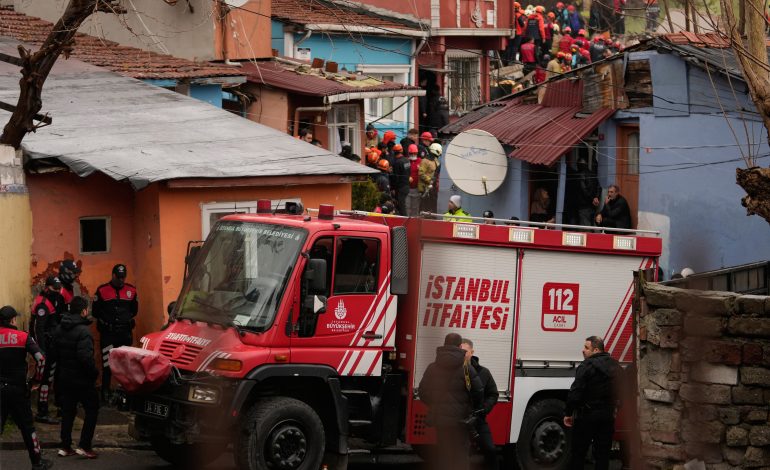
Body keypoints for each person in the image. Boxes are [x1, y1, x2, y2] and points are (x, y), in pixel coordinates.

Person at [419, 333, 483, 470]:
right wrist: (471, 408)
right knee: (461, 455)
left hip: (441, 420)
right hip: (462, 421)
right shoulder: (467, 369)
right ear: (460, 346)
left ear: (444, 344)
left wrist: (436, 404)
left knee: (443, 453)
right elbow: (479, 393)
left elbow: (422, 392)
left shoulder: (432, 367)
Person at [0, 306, 52, 470]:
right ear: (13, 320)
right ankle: (37, 462)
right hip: (18, 390)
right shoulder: (23, 337)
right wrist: (36, 380)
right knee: (27, 427)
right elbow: (41, 359)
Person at [564, 336, 621, 470]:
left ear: (596, 350)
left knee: (578, 453)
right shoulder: (615, 365)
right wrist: (617, 406)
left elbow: (575, 392)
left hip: (586, 417)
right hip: (607, 417)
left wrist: (568, 413)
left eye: (586, 348)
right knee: (603, 454)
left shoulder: (586, 366)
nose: (583, 350)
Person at [53, 296, 99, 459]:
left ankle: (65, 446)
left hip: (64, 377)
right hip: (82, 380)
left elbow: (55, 354)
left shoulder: (59, 328)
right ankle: (85, 445)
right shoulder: (84, 332)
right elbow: (85, 358)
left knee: (68, 412)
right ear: (83, 311)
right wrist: (94, 373)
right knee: (92, 409)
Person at [92, 264, 138, 404]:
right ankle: (105, 393)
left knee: (125, 364)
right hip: (108, 334)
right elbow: (95, 312)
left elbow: (134, 310)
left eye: (123, 277)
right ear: (112, 275)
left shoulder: (131, 290)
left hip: (124, 333)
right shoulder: (102, 290)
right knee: (107, 364)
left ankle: (125, 393)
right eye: (118, 277)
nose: (121, 280)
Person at [460, 338, 499, 470]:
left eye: (465, 351)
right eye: (460, 351)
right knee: (462, 455)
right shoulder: (454, 371)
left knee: (490, 449)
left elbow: (493, 394)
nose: (462, 354)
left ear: (472, 352)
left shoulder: (484, 372)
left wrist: (484, 409)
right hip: (459, 420)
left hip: (478, 419)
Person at [31, 276, 65, 424]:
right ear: (47, 287)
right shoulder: (43, 305)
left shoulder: (51, 300)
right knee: (44, 380)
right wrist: (41, 351)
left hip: (51, 345)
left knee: (46, 379)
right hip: (45, 347)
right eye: (54, 288)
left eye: (59, 288)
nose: (57, 291)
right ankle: (42, 411)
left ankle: (42, 409)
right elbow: (38, 329)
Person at [574, 157, 601, 227]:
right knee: (592, 225)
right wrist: (596, 198)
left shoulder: (581, 175)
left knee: (585, 227)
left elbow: (584, 189)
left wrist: (593, 199)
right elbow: (599, 187)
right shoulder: (593, 174)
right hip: (593, 205)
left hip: (584, 206)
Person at [392, 144, 411, 216]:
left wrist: (394, 188)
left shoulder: (397, 163)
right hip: (407, 186)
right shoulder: (407, 160)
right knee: (402, 205)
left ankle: (404, 220)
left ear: (394, 152)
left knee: (401, 206)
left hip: (400, 188)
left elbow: (396, 178)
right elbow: (409, 172)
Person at [406, 144, 422, 217]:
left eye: (414, 153)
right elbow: (403, 172)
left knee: (415, 208)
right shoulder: (406, 161)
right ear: (408, 153)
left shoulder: (420, 161)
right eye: (411, 153)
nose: (413, 155)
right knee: (407, 207)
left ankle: (414, 222)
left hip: (416, 189)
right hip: (407, 188)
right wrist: (407, 177)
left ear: (417, 153)